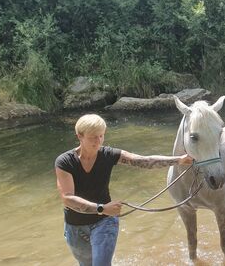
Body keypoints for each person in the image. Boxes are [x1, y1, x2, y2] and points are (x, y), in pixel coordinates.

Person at [54, 114, 194, 266]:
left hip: (104, 222)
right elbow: (67, 198)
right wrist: (102, 208)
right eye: (93, 137)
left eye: (101, 136)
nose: (98, 141)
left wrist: (178, 160)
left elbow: (142, 161)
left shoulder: (108, 154)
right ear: (79, 136)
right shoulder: (65, 161)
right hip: (76, 227)